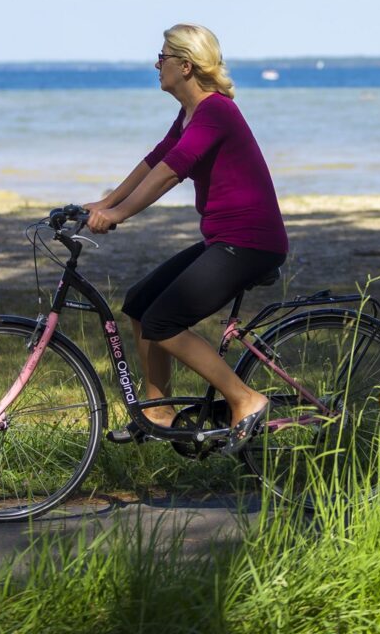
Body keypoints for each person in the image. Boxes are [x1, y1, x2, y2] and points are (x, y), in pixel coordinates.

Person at [84, 24, 288, 456]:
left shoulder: (216, 111)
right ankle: (157, 411)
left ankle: (245, 399)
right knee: (141, 303)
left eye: (162, 57)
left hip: (249, 242)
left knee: (163, 322)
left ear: (185, 65)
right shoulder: (190, 113)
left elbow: (174, 169)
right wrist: (103, 202)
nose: (156, 65)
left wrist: (118, 214)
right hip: (227, 239)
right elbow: (156, 159)